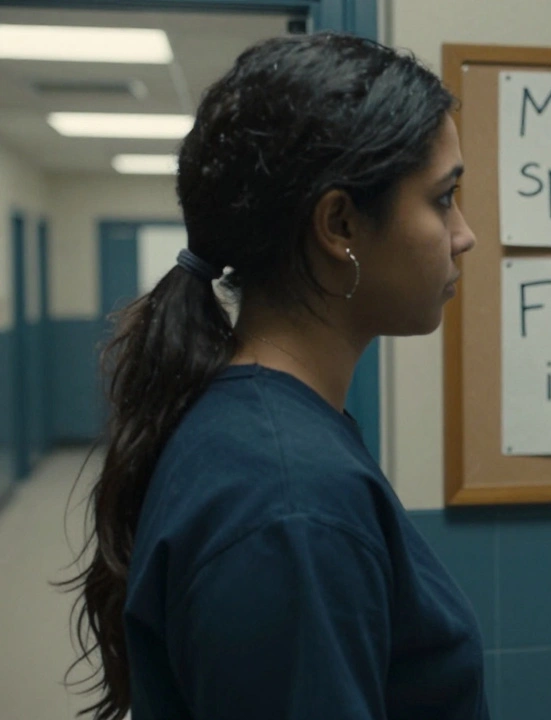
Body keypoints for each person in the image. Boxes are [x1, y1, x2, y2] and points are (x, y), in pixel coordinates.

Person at [59, 33, 484, 720]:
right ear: (339, 224)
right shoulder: (290, 503)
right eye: (442, 199)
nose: (463, 234)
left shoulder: (258, 433)